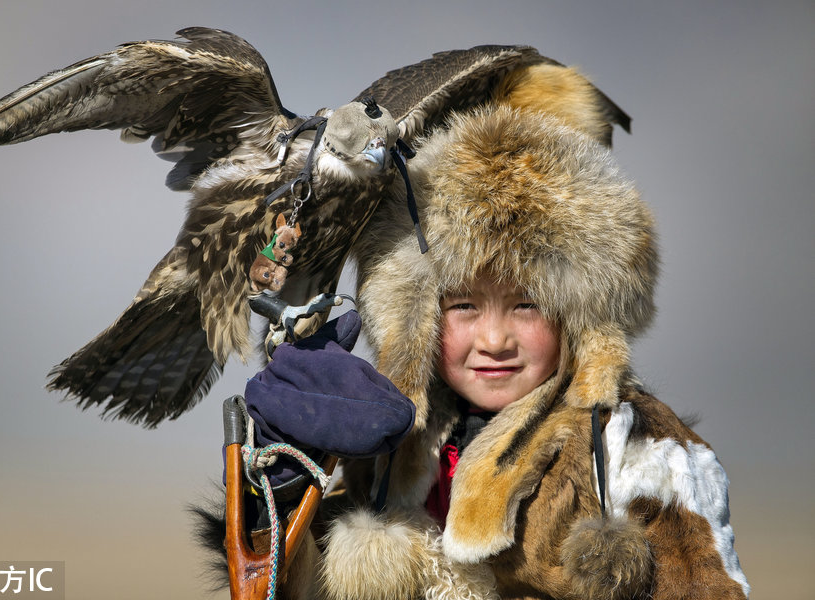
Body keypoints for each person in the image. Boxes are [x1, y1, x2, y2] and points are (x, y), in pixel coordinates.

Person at [198, 91, 749, 600]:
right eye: (463, 305)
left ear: (582, 315)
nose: (494, 339)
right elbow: (288, 589)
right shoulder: (397, 448)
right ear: (417, 319)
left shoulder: (639, 449)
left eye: (526, 304)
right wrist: (275, 491)